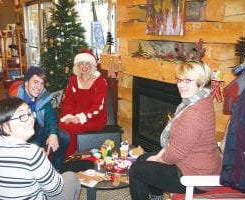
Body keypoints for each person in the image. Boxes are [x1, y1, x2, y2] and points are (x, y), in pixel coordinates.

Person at [129, 61, 222, 200]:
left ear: (201, 83)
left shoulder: (194, 113)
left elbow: (175, 154)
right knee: (143, 158)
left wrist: (158, 159)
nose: (181, 85)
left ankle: (155, 195)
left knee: (136, 171)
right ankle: (157, 196)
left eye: (188, 80)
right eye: (180, 80)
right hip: (197, 162)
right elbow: (175, 143)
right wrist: (158, 156)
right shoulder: (201, 99)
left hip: (196, 176)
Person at [0, 98, 81, 199]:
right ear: (4, 127)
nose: (31, 119)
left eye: (29, 113)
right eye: (22, 116)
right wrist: (43, 164)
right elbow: (56, 189)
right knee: (70, 177)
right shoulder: (31, 153)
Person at [8, 66, 70, 170]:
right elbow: (13, 130)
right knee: (35, 147)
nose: (39, 87)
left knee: (64, 137)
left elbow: (50, 117)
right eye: (35, 82)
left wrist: (53, 134)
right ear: (26, 83)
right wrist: (34, 147)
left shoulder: (43, 96)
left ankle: (56, 169)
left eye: (41, 83)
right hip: (21, 134)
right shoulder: (15, 99)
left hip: (38, 129)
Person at [59, 49, 108, 157]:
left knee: (67, 128)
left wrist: (80, 118)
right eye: (81, 64)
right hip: (74, 117)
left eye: (87, 64)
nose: (84, 67)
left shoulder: (100, 82)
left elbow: (98, 108)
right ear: (77, 66)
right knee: (59, 125)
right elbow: (68, 101)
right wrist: (69, 116)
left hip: (94, 119)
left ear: (92, 65)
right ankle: (55, 157)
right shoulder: (73, 80)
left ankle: (67, 157)